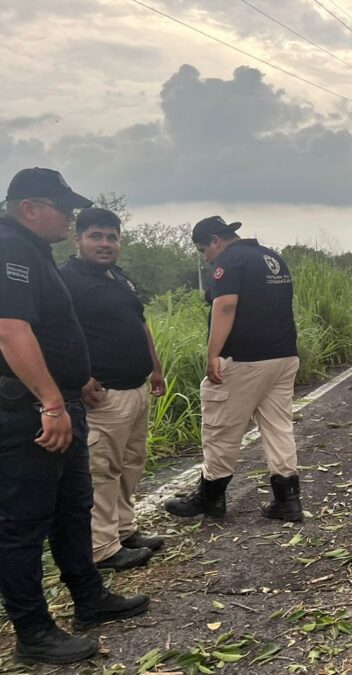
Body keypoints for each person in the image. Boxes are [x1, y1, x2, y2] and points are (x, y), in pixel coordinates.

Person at [0, 168, 149, 665]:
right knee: (23, 525)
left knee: (72, 508)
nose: (69, 214)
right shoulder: (11, 249)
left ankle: (89, 598)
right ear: (28, 209)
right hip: (32, 413)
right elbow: (10, 330)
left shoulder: (35, 251)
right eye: (61, 206)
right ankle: (34, 631)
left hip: (64, 403)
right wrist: (52, 403)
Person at [164, 216, 302, 522]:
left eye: (204, 249)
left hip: (244, 359)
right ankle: (288, 500)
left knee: (220, 427)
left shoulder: (229, 261)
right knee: (278, 427)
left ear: (215, 240)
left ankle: (210, 497)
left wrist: (213, 353)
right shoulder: (271, 257)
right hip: (283, 356)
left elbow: (225, 306)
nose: (206, 257)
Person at [58, 207, 166, 571]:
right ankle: (102, 547)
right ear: (78, 240)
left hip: (136, 387)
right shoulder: (66, 280)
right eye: (96, 236)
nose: (105, 244)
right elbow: (57, 334)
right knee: (102, 470)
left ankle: (124, 529)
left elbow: (139, 324)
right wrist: (81, 375)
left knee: (131, 463)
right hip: (103, 395)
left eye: (112, 237)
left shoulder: (118, 278)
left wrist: (156, 367)